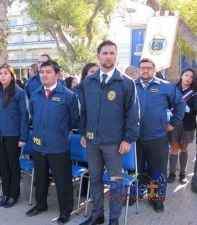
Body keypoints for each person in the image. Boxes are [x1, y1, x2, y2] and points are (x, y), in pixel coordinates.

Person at [79, 40, 140, 225]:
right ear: (98, 56)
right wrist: (83, 133)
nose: (108, 56)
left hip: (114, 143)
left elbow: (133, 113)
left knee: (115, 182)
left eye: (111, 53)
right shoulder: (88, 82)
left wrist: (128, 139)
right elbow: (84, 112)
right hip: (92, 142)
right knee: (95, 179)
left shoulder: (126, 83)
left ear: (116, 55)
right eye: (104, 53)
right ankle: (97, 215)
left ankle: (114, 219)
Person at [26, 60, 79, 224]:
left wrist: (62, 133)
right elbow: (33, 116)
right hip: (39, 144)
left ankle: (65, 210)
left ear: (57, 75)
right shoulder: (35, 94)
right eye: (42, 72)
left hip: (59, 145)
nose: (44, 75)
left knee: (62, 180)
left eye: (48, 72)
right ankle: (41, 204)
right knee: (40, 178)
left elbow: (74, 119)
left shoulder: (68, 95)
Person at [135, 58, 186, 213]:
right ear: (139, 70)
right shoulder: (131, 86)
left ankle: (157, 200)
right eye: (142, 68)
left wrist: (172, 124)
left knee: (157, 170)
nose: (145, 70)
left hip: (156, 137)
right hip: (135, 138)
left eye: (148, 68)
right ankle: (137, 194)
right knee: (136, 169)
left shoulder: (166, 87)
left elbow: (181, 105)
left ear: (154, 70)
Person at [0, 64, 29, 207]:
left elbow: (24, 115)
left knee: (13, 164)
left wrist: (23, 137)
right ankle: (5, 194)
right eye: (0, 73)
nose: (2, 75)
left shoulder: (19, 92)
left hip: (13, 135)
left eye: (5, 73)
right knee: (3, 164)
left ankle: (13, 195)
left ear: (12, 75)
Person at [167, 68, 197, 184]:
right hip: (174, 123)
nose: (188, 78)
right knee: (174, 148)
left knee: (184, 149)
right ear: (182, 75)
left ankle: (183, 174)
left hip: (187, 124)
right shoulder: (173, 89)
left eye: (191, 77)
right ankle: (172, 173)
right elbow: (166, 103)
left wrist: (189, 110)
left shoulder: (194, 92)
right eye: (186, 75)